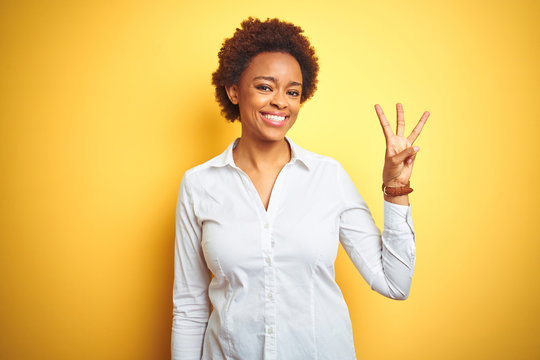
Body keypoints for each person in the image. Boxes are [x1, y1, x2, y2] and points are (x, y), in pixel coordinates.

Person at [171, 17, 429, 360]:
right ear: (234, 90)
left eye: (293, 92)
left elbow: (395, 283)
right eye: (265, 87)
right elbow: (189, 308)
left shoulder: (327, 176)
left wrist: (397, 187)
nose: (281, 102)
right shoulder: (198, 185)